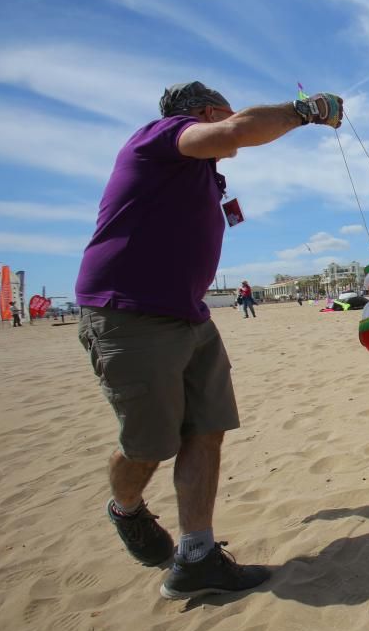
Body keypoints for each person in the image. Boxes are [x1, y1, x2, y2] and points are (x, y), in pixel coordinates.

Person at [74, 81, 344, 600]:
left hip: (191, 316)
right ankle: (125, 508)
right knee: (149, 445)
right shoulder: (161, 135)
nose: (232, 121)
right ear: (204, 112)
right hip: (129, 314)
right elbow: (236, 130)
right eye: (224, 111)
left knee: (207, 429)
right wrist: (307, 111)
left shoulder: (200, 173)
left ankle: (196, 555)